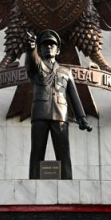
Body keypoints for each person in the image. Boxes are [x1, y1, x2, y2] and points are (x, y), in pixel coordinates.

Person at [26, 29, 92, 179]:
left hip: (61, 115)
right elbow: (31, 61)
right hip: (40, 114)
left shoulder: (65, 71)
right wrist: (30, 49)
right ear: (40, 49)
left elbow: (74, 96)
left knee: (63, 153)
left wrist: (82, 118)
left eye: (52, 45)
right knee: (37, 151)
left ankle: (67, 183)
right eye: (45, 45)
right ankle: (33, 182)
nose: (49, 47)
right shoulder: (36, 67)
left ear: (58, 50)